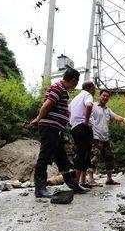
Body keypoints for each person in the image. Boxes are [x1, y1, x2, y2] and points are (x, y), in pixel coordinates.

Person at [31, 68, 89, 198]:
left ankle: (74, 185)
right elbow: (47, 105)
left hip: (56, 128)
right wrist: (38, 118)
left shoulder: (63, 90)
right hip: (50, 127)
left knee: (62, 158)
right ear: (73, 80)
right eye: (77, 82)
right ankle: (40, 189)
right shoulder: (58, 87)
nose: (76, 85)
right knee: (45, 156)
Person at [87, 89, 125, 186]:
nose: (105, 98)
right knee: (94, 157)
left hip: (105, 137)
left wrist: (123, 119)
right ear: (100, 96)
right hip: (95, 136)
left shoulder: (108, 110)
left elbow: (115, 116)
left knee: (109, 158)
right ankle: (90, 179)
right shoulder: (93, 106)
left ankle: (109, 179)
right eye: (103, 96)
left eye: (107, 96)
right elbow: (86, 115)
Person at [69, 81, 95, 188]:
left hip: (74, 127)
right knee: (82, 154)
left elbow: (69, 111)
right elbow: (89, 106)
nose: (95, 91)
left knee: (83, 153)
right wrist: (86, 121)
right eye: (94, 88)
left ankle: (82, 182)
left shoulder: (75, 98)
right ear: (91, 88)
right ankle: (76, 184)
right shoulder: (87, 95)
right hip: (83, 127)